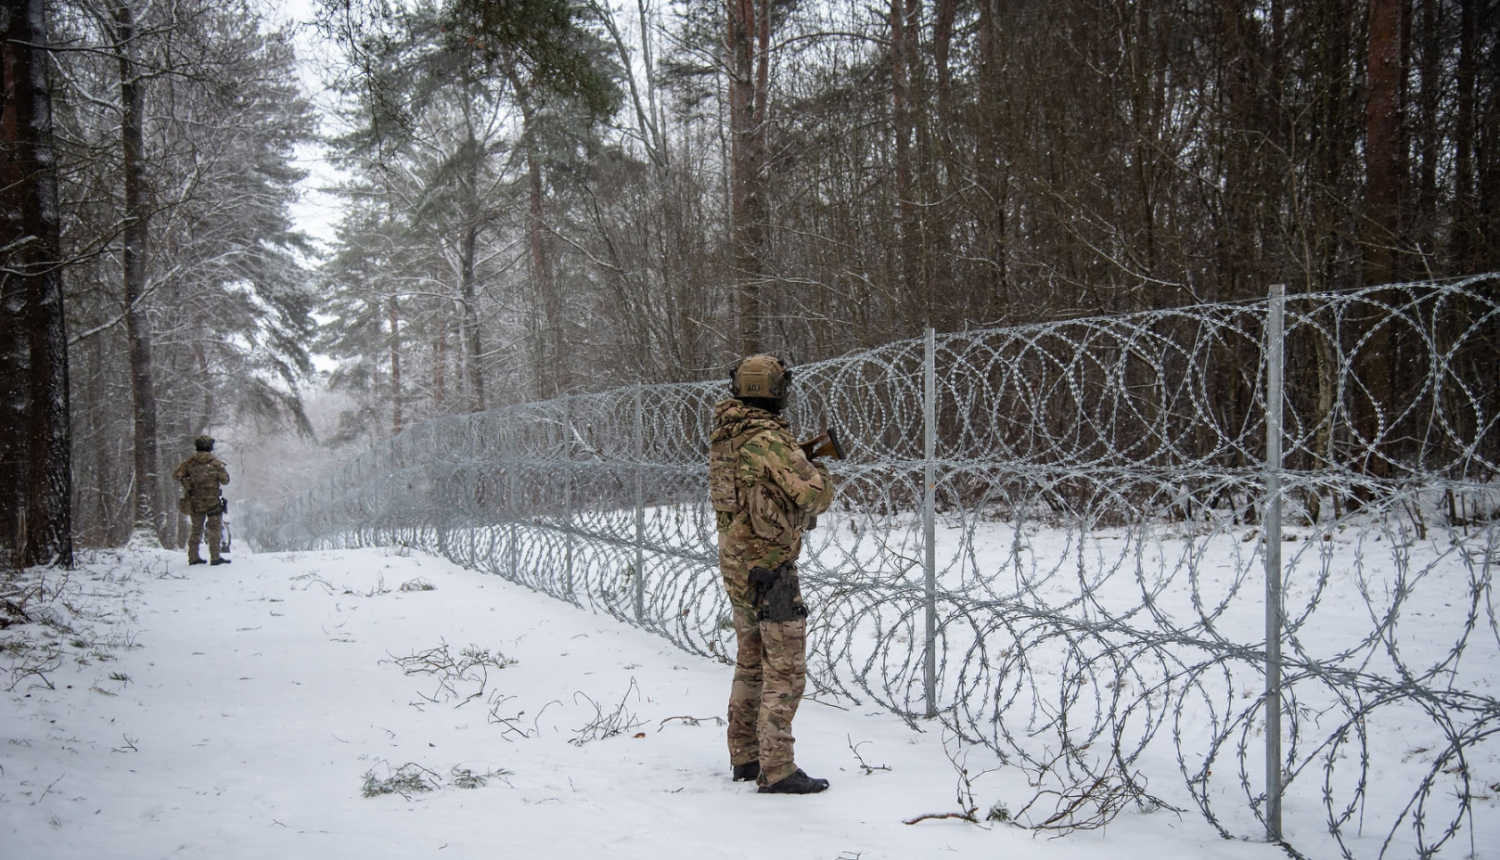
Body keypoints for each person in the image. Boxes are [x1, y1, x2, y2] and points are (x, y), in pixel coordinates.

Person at [708, 354, 834, 794]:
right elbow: (814, 496)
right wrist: (817, 467)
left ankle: (745, 755)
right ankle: (777, 768)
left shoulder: (727, 434)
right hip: (771, 566)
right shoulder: (767, 438)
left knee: (750, 661)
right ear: (777, 389)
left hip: (737, 562)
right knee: (786, 668)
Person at [171, 435, 231, 566]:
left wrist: (188, 481)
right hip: (213, 502)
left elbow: (176, 475)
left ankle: (193, 557)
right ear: (210, 448)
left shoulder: (189, 463)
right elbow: (225, 480)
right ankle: (215, 557)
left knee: (196, 529)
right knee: (214, 529)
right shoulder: (215, 463)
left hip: (195, 501)